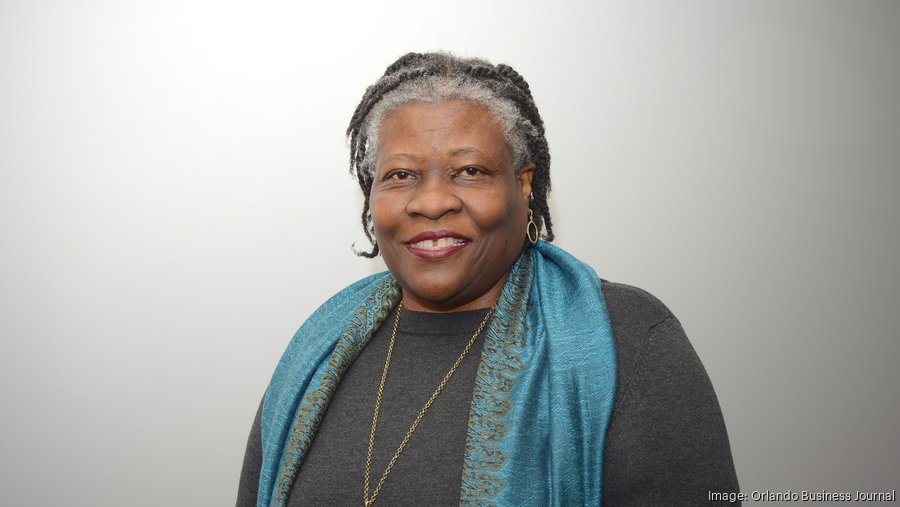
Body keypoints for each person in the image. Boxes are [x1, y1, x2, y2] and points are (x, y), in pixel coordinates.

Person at [237, 52, 739, 506]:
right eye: (401, 175)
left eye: (470, 171)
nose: (432, 202)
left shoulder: (627, 340)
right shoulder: (318, 347)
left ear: (524, 184)